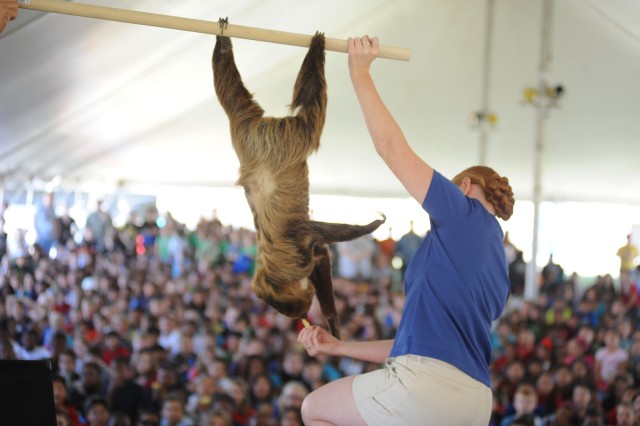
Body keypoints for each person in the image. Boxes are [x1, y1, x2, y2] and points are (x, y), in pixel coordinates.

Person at [297, 35, 515, 425]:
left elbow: (390, 146)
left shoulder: (463, 213)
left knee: (315, 409)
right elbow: (414, 346)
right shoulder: (498, 267)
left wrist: (359, 71)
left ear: (464, 186)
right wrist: (338, 347)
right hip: (476, 403)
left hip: (425, 389)